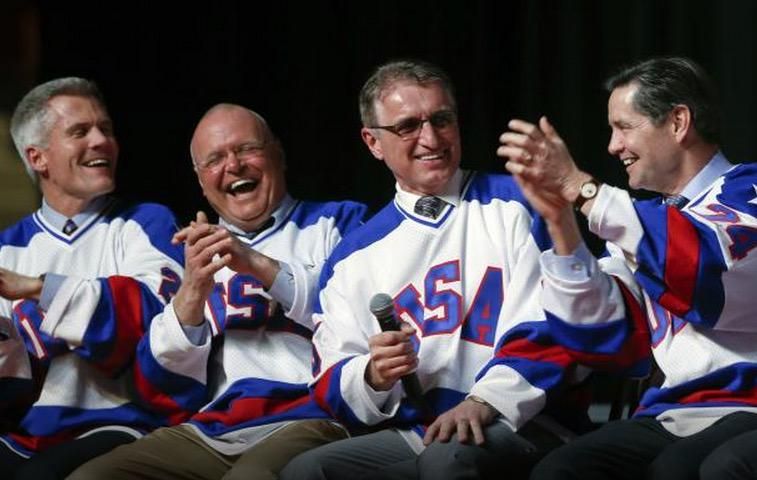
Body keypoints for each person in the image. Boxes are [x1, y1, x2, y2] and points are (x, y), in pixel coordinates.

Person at [280, 60, 591, 480]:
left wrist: (486, 401)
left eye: (442, 119)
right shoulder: (352, 255)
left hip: (526, 419)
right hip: (419, 431)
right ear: (373, 142)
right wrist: (373, 373)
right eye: (408, 126)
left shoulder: (521, 203)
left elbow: (561, 320)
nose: (431, 138)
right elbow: (331, 380)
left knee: (447, 460)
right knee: (307, 472)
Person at [68, 103, 368, 480]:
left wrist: (256, 262)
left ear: (278, 154)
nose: (233, 165)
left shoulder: (339, 221)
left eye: (246, 149)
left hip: (310, 414)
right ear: (201, 182)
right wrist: (192, 292)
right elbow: (161, 382)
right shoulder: (189, 252)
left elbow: (353, 317)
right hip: (212, 428)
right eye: (215, 159)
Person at [498, 56, 757, 480]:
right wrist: (561, 222)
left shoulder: (747, 192)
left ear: (678, 122)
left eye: (624, 127)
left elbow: (705, 271)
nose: (612, 146)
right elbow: (604, 335)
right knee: (562, 470)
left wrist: (580, 188)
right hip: (675, 412)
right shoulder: (645, 227)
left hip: (746, 404)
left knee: (680, 470)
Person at [0, 77, 194, 479]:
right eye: (79, 132)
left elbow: (155, 318)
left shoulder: (145, 223)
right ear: (38, 158)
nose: (101, 141)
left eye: (105, 129)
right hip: (23, 431)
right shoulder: (7, 248)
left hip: (122, 421)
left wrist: (40, 289)